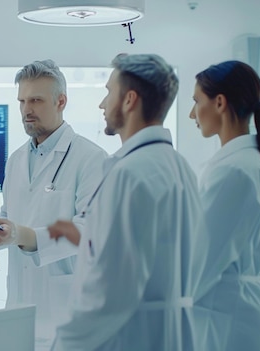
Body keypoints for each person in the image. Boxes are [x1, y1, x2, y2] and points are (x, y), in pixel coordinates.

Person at [46, 54, 204, 350]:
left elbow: (110, 289)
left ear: (130, 100)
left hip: (129, 336)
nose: (102, 104)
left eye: (108, 92)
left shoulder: (130, 174)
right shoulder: (180, 168)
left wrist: (63, 344)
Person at [0, 59, 107, 341]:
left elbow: (90, 229)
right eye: (22, 101)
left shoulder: (91, 159)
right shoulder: (15, 161)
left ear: (61, 101)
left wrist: (25, 236)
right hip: (18, 307)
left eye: (36, 100)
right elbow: (10, 220)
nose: (26, 110)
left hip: (67, 312)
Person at [187, 60, 260, 351]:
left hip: (227, 325)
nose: (192, 114)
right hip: (229, 320)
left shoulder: (235, 171)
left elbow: (199, 264)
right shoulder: (241, 163)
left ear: (219, 103)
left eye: (195, 101)